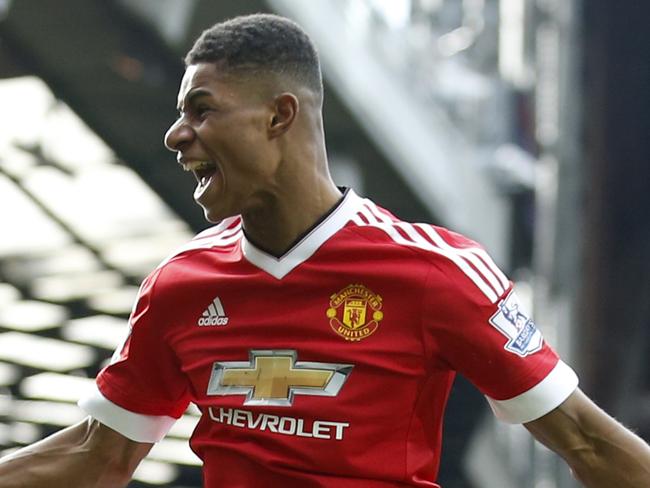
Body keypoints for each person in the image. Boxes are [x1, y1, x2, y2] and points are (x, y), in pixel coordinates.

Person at [1, 13, 649, 488]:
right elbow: (98, 454)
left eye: (201, 110)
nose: (176, 135)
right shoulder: (179, 286)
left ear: (280, 116)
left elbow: (588, 443)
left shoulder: (436, 272)